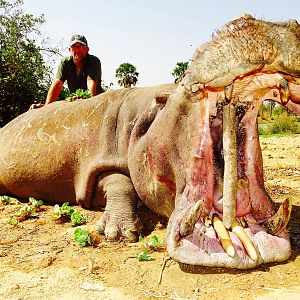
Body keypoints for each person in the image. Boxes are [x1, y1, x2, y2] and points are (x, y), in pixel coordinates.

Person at [31, 34, 102, 109]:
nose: (77, 49)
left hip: (96, 102)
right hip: (75, 102)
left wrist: (90, 107)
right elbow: (57, 85)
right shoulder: (65, 62)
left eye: (81, 46)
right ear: (70, 50)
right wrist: (46, 108)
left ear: (87, 49)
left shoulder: (93, 61)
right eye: (74, 46)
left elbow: (91, 90)